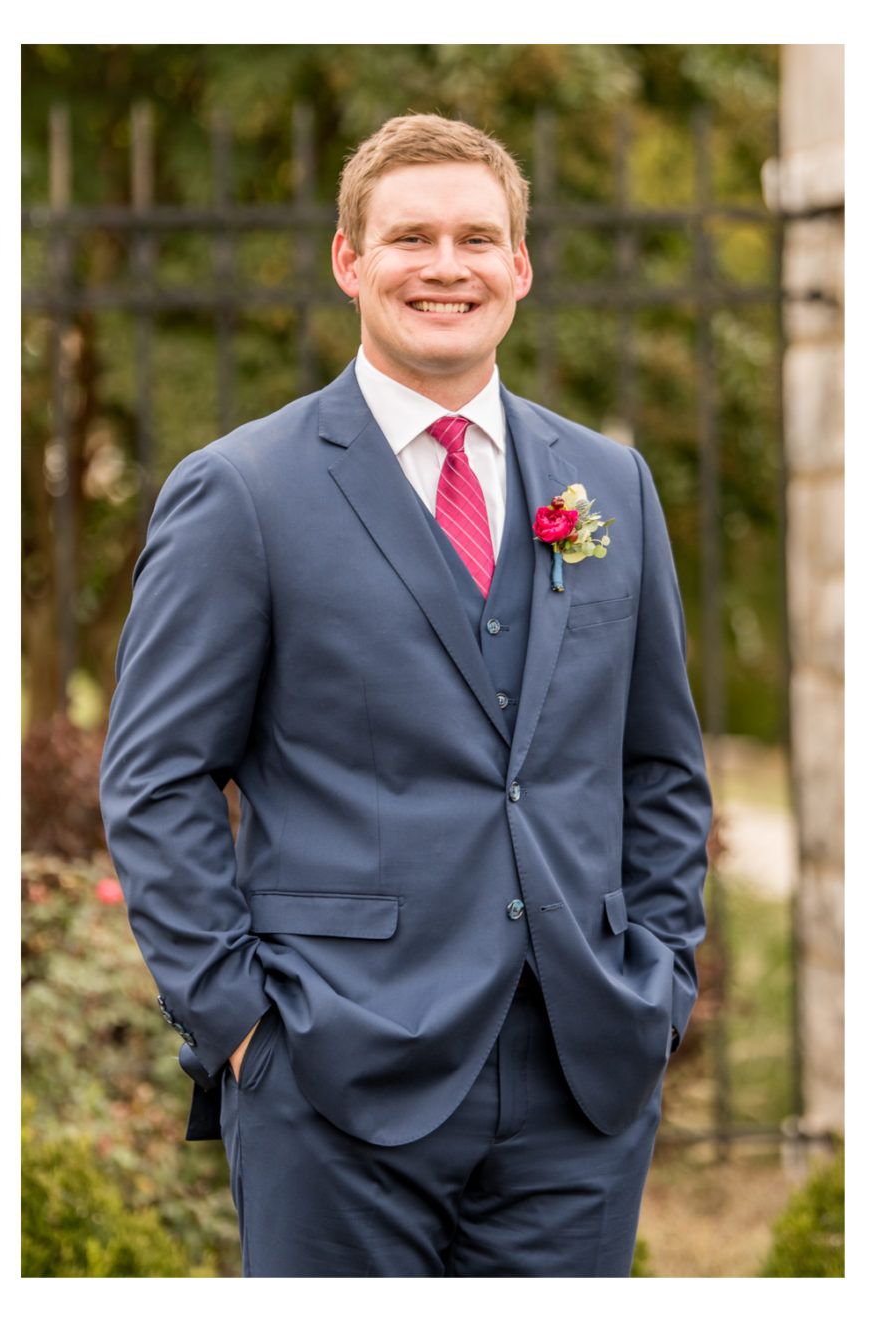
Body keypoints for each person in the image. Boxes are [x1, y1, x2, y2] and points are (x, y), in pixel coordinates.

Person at [99, 114, 710, 1277]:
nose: (445, 266)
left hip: (582, 1075)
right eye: (409, 237)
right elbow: (156, 775)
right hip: (332, 1070)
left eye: (477, 238)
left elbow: (658, 766)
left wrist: (659, 980)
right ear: (347, 261)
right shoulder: (241, 490)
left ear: (519, 267)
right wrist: (239, 1026)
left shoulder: (608, 484)